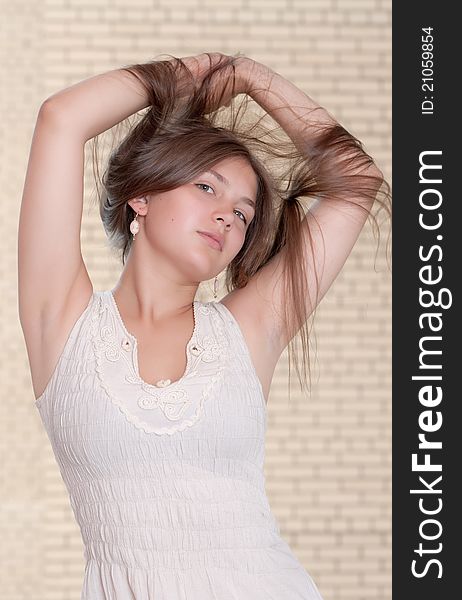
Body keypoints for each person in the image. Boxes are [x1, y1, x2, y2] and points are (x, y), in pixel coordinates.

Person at [18, 52, 391, 599]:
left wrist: (252, 77)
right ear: (140, 196)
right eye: (207, 189)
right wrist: (192, 73)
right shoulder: (64, 322)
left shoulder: (247, 329)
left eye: (243, 213)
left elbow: (356, 181)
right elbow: (60, 118)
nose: (226, 215)